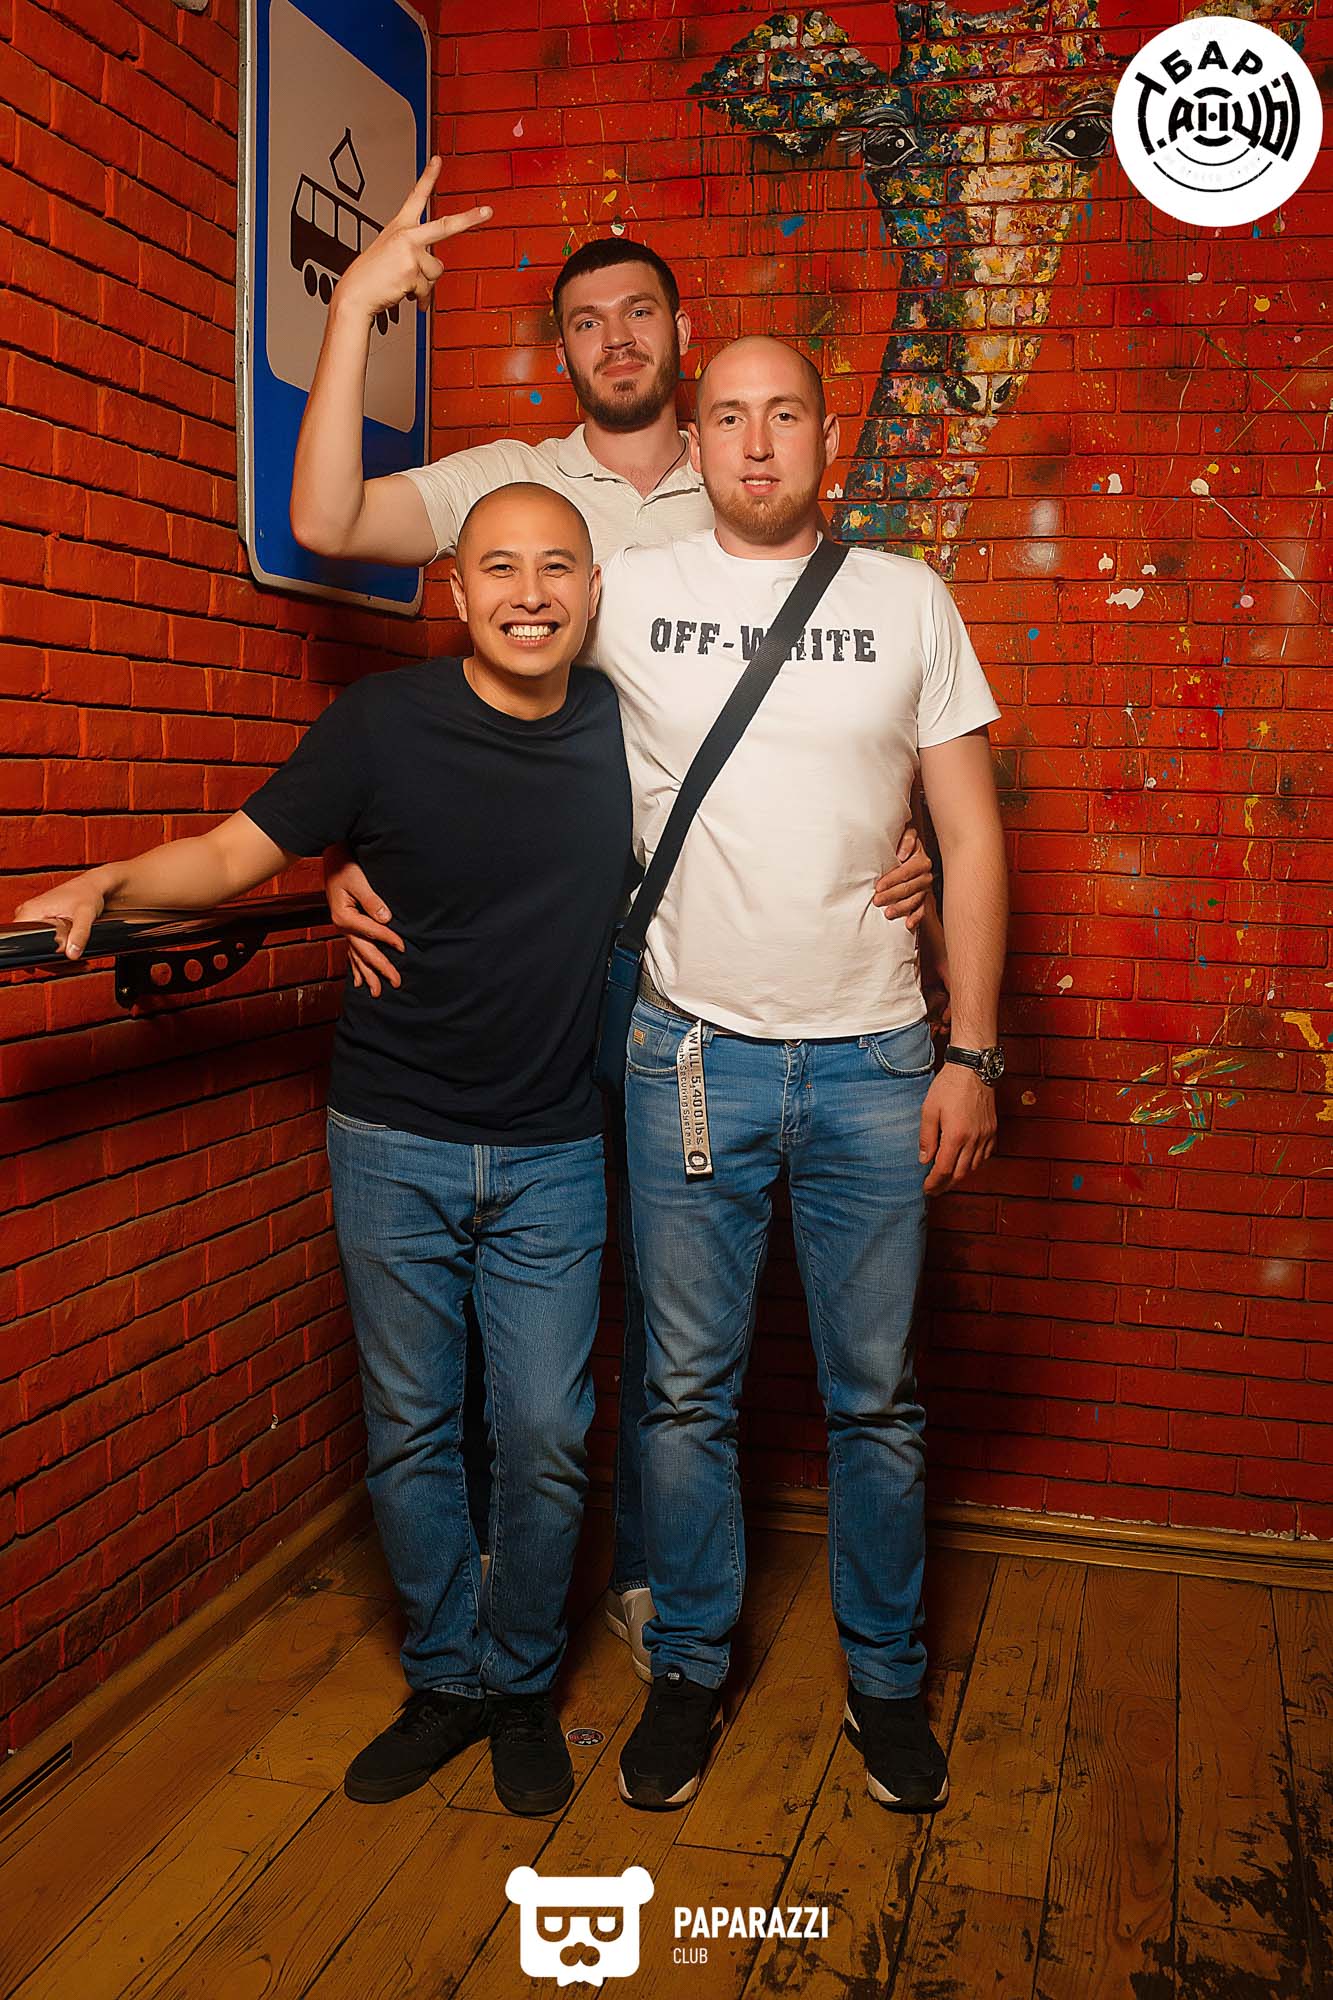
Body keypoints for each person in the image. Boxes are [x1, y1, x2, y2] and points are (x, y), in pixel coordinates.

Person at [289, 160, 937, 1678]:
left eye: (640, 312)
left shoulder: (751, 480)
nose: (617, 338)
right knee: (575, 1294)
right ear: (561, 348)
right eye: (586, 321)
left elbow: (858, 693)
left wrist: (894, 832)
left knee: (669, 1294)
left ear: (681, 337)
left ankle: (651, 1586)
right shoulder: (510, 479)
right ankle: (520, 1610)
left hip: (697, 959)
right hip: (555, 951)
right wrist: (356, 307)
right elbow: (324, 520)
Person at [16, 485, 630, 1821]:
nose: (530, 594)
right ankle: (448, 1678)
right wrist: (108, 884)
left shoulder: (629, 725)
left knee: (544, 1433)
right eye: (499, 568)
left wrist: (904, 855)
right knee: (411, 1430)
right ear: (455, 591)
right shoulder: (380, 723)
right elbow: (233, 854)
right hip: (391, 1137)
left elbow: (767, 812)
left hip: (552, 1149)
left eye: (556, 568)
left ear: (593, 591)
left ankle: (522, 1681)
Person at [589, 338, 1009, 1816]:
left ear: (830, 438)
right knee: (685, 1391)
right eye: (727, 418)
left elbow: (970, 832)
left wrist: (970, 1049)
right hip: (689, 1053)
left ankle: (886, 1684)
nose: (756, 443)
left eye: (783, 416)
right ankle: (689, 1668)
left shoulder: (906, 598)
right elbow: (494, 707)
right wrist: (356, 854)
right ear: (691, 440)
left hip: (875, 1061)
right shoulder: (627, 589)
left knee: (875, 1398)